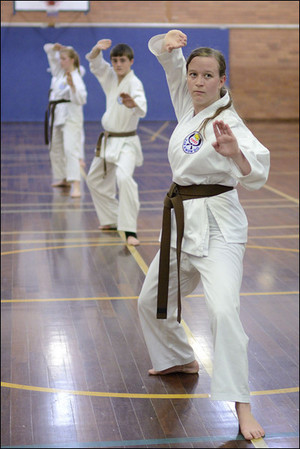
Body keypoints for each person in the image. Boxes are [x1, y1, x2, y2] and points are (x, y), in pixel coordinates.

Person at [138, 30, 270, 441]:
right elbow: (164, 59)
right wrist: (167, 40)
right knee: (149, 301)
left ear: (221, 81)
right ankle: (180, 359)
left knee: (224, 311)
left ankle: (242, 407)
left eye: (207, 75)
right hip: (182, 221)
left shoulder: (229, 122)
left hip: (219, 226)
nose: (197, 81)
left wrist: (236, 155)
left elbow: (259, 174)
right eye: (194, 74)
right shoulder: (189, 106)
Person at [85, 39, 147, 246]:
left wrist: (133, 103)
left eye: (122, 60)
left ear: (131, 61)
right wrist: (96, 50)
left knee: (123, 178)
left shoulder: (135, 83)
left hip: (127, 142)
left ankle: (130, 230)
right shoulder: (110, 77)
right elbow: (96, 64)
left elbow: (142, 108)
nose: (118, 64)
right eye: (115, 60)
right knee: (93, 179)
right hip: (109, 141)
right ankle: (112, 219)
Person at [44, 43, 87, 198]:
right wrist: (55, 49)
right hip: (57, 115)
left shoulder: (75, 76)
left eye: (63, 59)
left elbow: (82, 99)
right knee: (55, 148)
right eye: (60, 59)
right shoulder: (60, 73)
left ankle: (76, 184)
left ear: (71, 60)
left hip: (71, 116)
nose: (60, 61)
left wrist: (73, 87)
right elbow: (48, 50)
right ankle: (63, 178)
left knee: (70, 150)